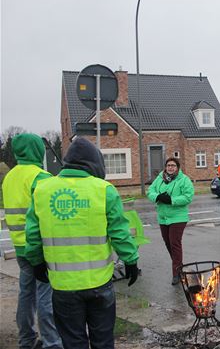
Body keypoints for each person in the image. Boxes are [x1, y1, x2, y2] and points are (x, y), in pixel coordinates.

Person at [25, 137, 139, 349]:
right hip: (100, 283)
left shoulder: (42, 190)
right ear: (95, 164)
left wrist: (37, 263)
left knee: (73, 341)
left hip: (63, 285)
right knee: (103, 341)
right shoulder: (104, 190)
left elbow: (32, 234)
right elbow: (119, 232)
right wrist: (130, 261)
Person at [1, 133, 63, 349]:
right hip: (39, 247)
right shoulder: (40, 176)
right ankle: (51, 342)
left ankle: (26, 340)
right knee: (46, 294)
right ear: (37, 150)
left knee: (26, 293)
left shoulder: (10, 176)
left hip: (19, 246)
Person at [148, 157, 194, 285]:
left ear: (177, 168)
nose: (170, 167)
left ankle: (177, 273)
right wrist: (157, 196)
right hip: (163, 217)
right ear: (165, 167)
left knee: (174, 243)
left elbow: (188, 197)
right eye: (168, 165)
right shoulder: (160, 178)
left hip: (178, 217)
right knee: (168, 243)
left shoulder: (184, 180)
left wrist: (171, 200)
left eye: (173, 165)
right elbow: (150, 191)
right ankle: (178, 264)